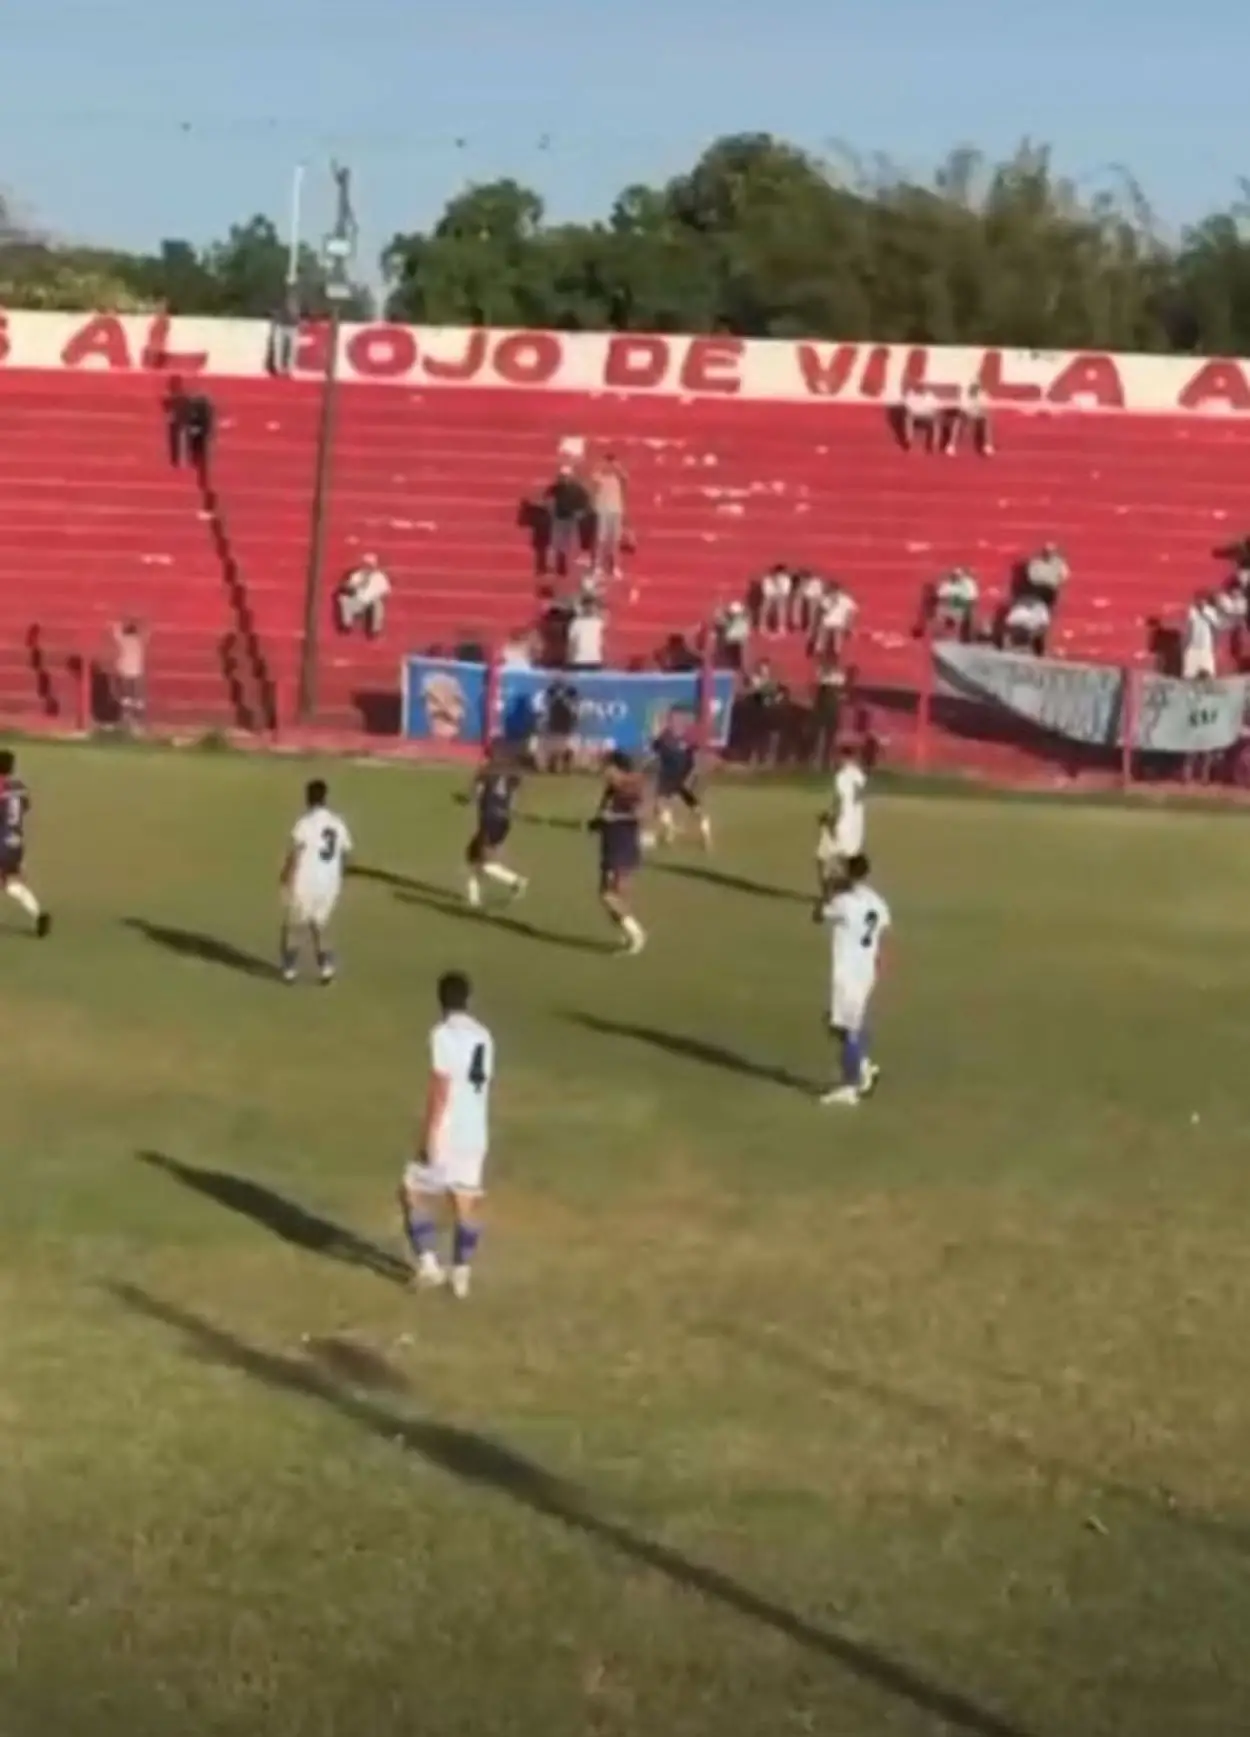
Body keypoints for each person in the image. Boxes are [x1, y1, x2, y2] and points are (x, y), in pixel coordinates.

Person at [400, 970, 494, 1299]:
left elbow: (440, 1087)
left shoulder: (441, 1035)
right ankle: (461, 1274)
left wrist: (428, 1134)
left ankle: (429, 1265)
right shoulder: (484, 1035)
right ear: (468, 1000)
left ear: (440, 1001)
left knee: (411, 1189)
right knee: (464, 1201)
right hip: (476, 1130)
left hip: (447, 1129)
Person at [816, 852, 889, 1107]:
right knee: (839, 1024)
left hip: (847, 973)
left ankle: (851, 1087)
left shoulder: (844, 902)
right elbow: (882, 934)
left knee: (847, 1030)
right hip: (865, 971)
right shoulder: (877, 902)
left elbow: (818, 915)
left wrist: (828, 888)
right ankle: (865, 1066)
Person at [278, 778, 353, 985]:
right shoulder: (337, 822)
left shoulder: (305, 823)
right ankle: (326, 968)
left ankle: (290, 970)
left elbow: (296, 852)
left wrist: (286, 876)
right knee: (320, 925)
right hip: (329, 884)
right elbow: (346, 853)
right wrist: (338, 876)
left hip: (306, 881)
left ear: (308, 798)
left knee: (294, 925)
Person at [590, 751, 646, 954]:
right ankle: (629, 937)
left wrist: (613, 817)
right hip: (611, 845)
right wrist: (595, 823)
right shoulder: (611, 789)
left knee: (608, 895)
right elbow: (604, 813)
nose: (604, 772)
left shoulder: (630, 787)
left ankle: (636, 934)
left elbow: (639, 814)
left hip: (622, 846)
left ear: (617, 768)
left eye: (606, 768)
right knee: (613, 895)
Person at [465, 748, 527, 908]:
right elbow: (513, 797)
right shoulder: (510, 772)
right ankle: (474, 899)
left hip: (489, 819)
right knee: (473, 857)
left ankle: (516, 881)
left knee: (484, 863)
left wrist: (467, 798)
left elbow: (476, 793)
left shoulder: (486, 771)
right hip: (503, 820)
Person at [0, 750, 50, 937]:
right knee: (9, 884)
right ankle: (38, 915)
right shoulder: (19, 787)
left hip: (0, 840)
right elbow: (24, 808)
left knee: (7, 883)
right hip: (16, 842)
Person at [648, 712, 711, 849]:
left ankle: (670, 830)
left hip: (670, 777)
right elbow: (694, 756)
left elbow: (654, 746)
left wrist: (655, 732)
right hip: (685, 778)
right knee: (696, 807)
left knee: (659, 804)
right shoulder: (684, 742)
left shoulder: (664, 740)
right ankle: (705, 833)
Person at [815, 742, 866, 898]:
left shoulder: (841, 777)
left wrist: (828, 817)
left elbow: (839, 801)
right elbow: (858, 797)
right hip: (857, 824)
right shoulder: (859, 775)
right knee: (847, 858)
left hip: (842, 823)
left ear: (844, 757)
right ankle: (847, 891)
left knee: (823, 857)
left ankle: (829, 894)